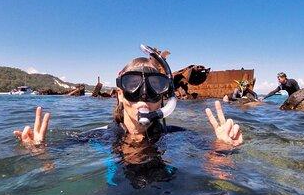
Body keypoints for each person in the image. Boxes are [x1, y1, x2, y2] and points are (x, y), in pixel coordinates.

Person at [13, 46, 243, 187]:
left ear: (164, 97)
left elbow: (217, 171)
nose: (144, 96)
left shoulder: (177, 136)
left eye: (155, 86)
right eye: (133, 85)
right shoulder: (98, 136)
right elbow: (52, 167)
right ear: (121, 94)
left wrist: (223, 150)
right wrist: (38, 151)